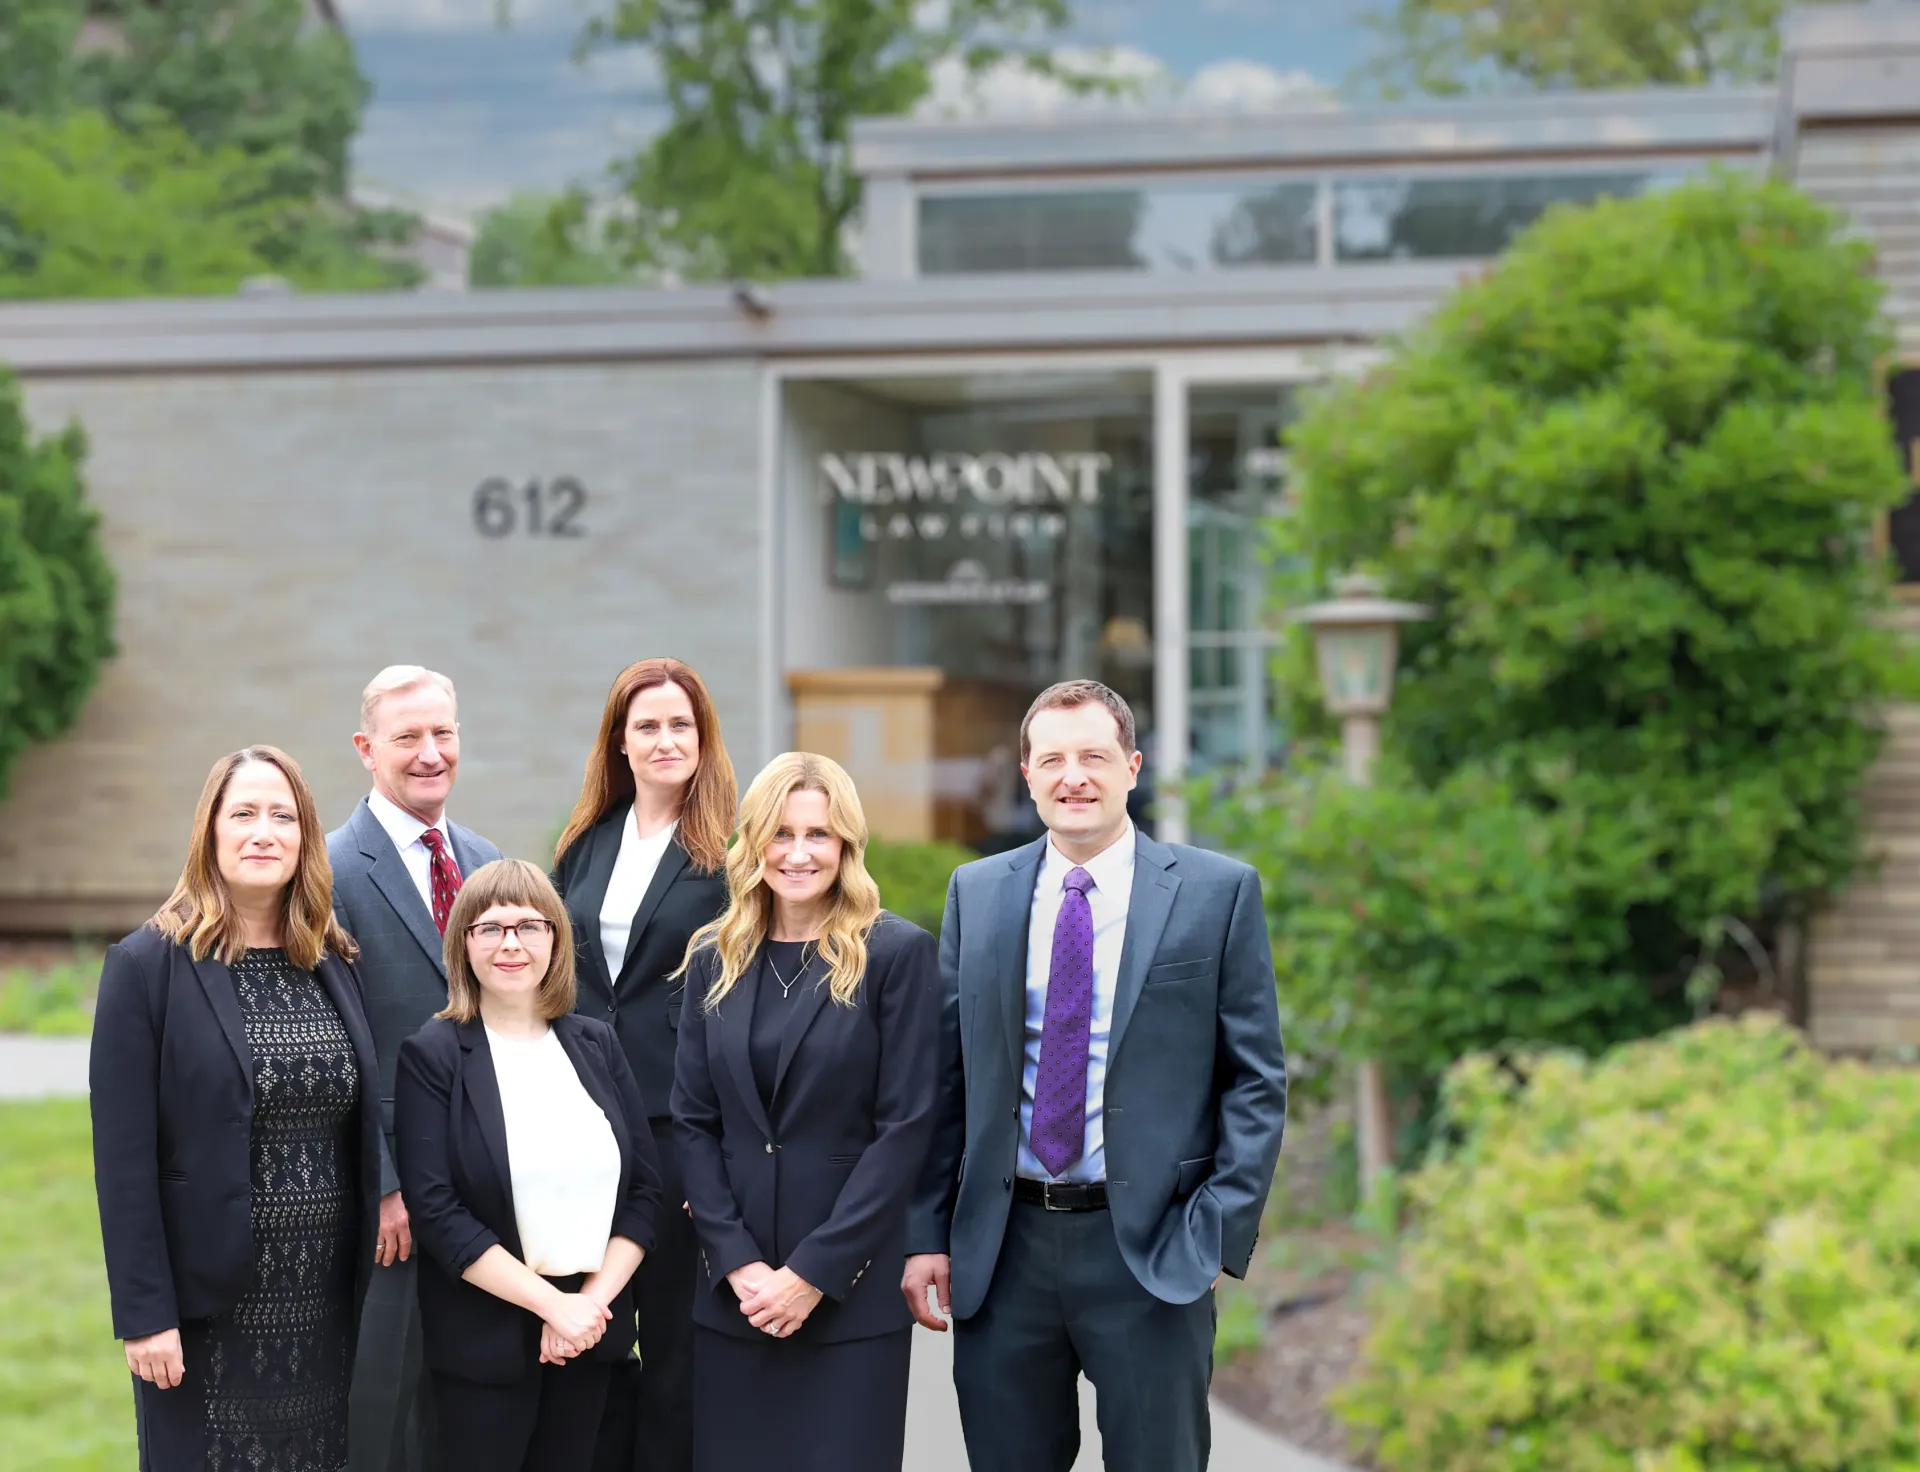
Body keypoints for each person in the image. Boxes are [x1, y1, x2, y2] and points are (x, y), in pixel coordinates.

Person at [903, 679, 1289, 1472]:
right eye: (1052, 759)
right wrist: (927, 1234)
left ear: (1133, 767)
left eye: (1093, 756)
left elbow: (1255, 1079)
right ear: (1027, 773)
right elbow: (945, 1077)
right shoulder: (978, 893)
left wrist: (1214, 1232)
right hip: (1003, 1251)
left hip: (1150, 1252)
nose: (1072, 775)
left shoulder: (1216, 893)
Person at [90, 745, 384, 1472]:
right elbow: (123, 1162)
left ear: (305, 837)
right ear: (210, 833)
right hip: (208, 1312)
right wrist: (145, 1315)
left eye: (282, 815)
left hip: (325, 1301)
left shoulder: (334, 960)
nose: (264, 831)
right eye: (243, 813)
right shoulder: (147, 966)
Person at [671, 752, 939, 1472]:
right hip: (737, 1297)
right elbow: (693, 1121)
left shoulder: (895, 954)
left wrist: (814, 1273)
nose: (797, 854)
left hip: (849, 1297)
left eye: (818, 835)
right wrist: (737, 1264)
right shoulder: (713, 957)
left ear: (847, 845)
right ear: (753, 842)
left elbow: (906, 1126)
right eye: (780, 834)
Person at [394, 859, 664, 1472]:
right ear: (464, 945)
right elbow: (438, 1213)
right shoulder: (434, 1055)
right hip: (485, 1348)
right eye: (489, 928)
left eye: (528, 926)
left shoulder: (596, 1043)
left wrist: (586, 1307)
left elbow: (645, 1192)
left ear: (555, 940)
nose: (510, 943)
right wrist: (551, 1306)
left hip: (591, 1337)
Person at [550, 658, 736, 1472]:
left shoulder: (730, 854)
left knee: (671, 1345)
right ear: (620, 743)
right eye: (648, 727)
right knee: (584, 1330)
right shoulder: (586, 845)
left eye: (680, 726)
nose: (666, 741)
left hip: (674, 1124)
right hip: (584, 1122)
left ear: (703, 741)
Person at [329, 664, 503, 1472]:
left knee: (465, 1404)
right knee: (382, 1405)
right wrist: (385, 1180)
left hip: (486, 1182)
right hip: (390, 1194)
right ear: (368, 749)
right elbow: (334, 1045)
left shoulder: (484, 860)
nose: (430, 753)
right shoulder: (327, 871)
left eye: (443, 733)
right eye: (408, 738)